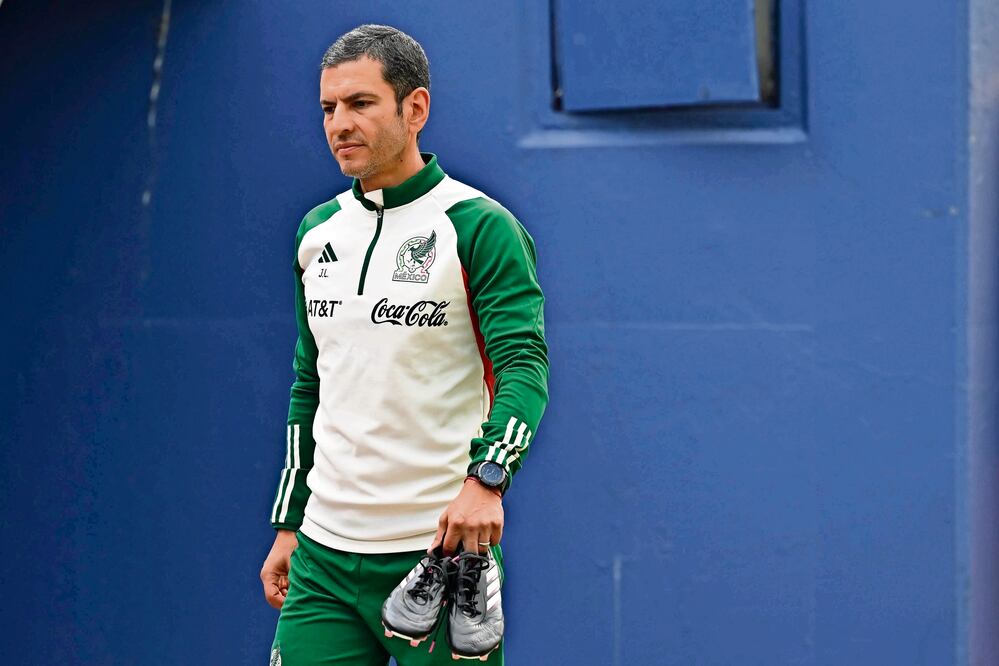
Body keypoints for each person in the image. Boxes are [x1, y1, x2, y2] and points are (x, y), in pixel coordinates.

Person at [258, 24, 549, 666]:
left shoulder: (478, 227)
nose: (339, 124)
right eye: (329, 108)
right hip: (322, 561)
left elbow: (524, 369)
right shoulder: (316, 232)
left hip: (439, 563)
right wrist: (289, 521)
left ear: (413, 109)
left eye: (361, 103)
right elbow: (311, 385)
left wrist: (488, 481)